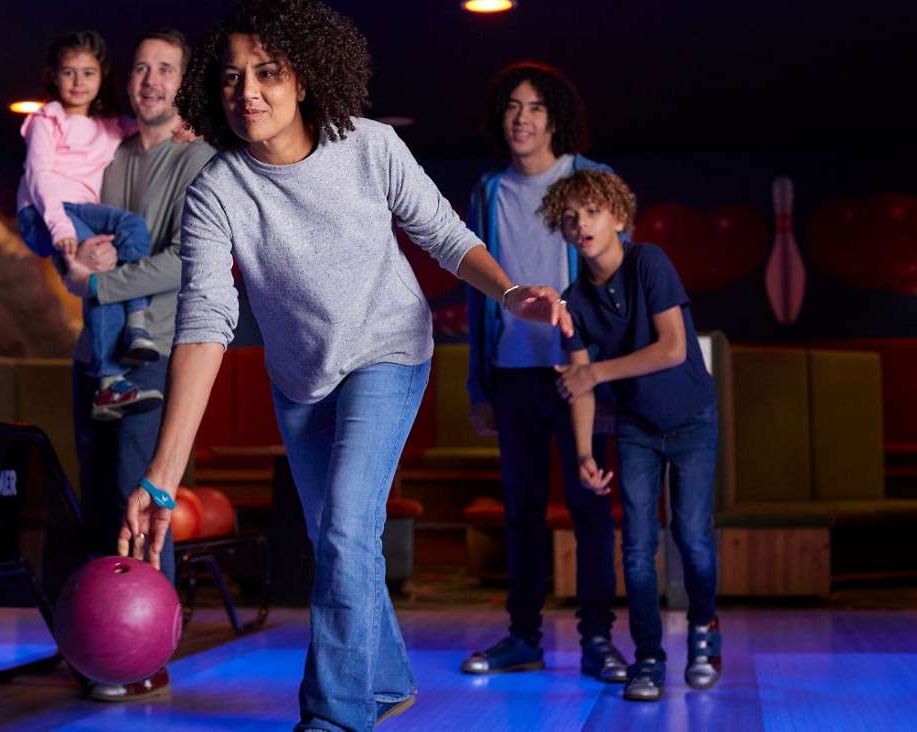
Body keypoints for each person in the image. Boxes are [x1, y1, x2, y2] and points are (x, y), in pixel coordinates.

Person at [117, 2, 571, 729]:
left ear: (305, 79)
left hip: (389, 350)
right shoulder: (217, 192)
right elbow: (204, 323)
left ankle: (331, 715)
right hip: (301, 379)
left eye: (268, 73)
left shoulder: (369, 146)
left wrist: (513, 292)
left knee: (346, 531)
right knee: (338, 530)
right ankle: (385, 678)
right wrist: (162, 481)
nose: (248, 92)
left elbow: (446, 237)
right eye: (232, 78)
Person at [61, 27, 216, 702]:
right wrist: (75, 264)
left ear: (185, 84)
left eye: (166, 70)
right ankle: (100, 643)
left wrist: (98, 285)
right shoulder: (109, 151)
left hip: (152, 359)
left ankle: (146, 648)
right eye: (141, 68)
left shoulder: (201, 157)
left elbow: (185, 262)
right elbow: (67, 224)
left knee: (140, 492)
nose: (150, 79)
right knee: (97, 498)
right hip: (93, 356)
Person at [461, 61, 626, 683]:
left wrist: (605, 372)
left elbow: (620, 277)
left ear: (554, 118)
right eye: (511, 106)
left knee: (589, 509)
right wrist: (479, 384)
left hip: (578, 375)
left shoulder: (591, 180)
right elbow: (477, 296)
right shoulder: (486, 193)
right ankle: (523, 637)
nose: (521, 118)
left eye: (533, 108)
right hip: (513, 374)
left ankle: (597, 642)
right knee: (521, 511)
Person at [541, 168, 722, 702]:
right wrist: (582, 454)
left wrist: (595, 372)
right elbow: (578, 384)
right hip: (637, 429)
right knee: (639, 549)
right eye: (570, 217)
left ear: (618, 218)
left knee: (692, 539)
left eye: (592, 212)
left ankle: (704, 633)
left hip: (692, 420)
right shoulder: (572, 302)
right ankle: (649, 658)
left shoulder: (650, 262)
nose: (581, 224)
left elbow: (672, 349)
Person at [16, 31, 162, 420]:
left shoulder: (109, 127)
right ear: (55, 76)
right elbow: (39, 176)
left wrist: (184, 127)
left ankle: (136, 322)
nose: (78, 82)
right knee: (99, 274)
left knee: (132, 226)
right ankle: (109, 385)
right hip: (42, 212)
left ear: (101, 77)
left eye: (87, 73)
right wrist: (59, 225)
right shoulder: (47, 120)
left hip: (83, 210)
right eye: (69, 73)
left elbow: (151, 123)